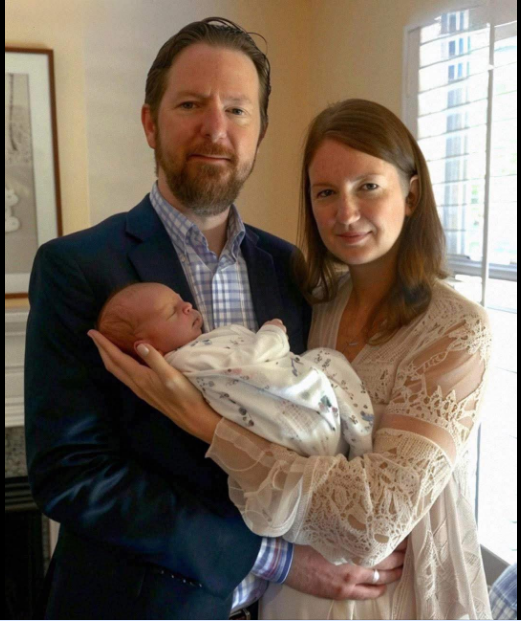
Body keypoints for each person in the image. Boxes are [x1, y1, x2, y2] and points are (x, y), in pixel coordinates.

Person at [25, 18, 404, 621]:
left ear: (260, 132)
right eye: (190, 104)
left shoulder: (294, 270)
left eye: (237, 109)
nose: (215, 127)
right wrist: (275, 559)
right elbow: (72, 475)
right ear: (151, 123)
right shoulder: (76, 267)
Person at [90, 98, 494, 620]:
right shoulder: (314, 302)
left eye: (368, 186)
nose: (345, 213)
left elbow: (375, 521)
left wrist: (205, 423)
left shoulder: (457, 328)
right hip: (298, 591)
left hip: (397, 592)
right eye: (326, 192)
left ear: (411, 194)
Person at [97, 282, 374, 457]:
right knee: (327, 359)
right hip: (303, 425)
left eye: (181, 300)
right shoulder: (187, 360)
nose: (187, 306)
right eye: (171, 311)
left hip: (305, 429)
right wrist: (273, 332)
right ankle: (360, 439)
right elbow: (250, 360)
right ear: (147, 347)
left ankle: (357, 434)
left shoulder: (195, 350)